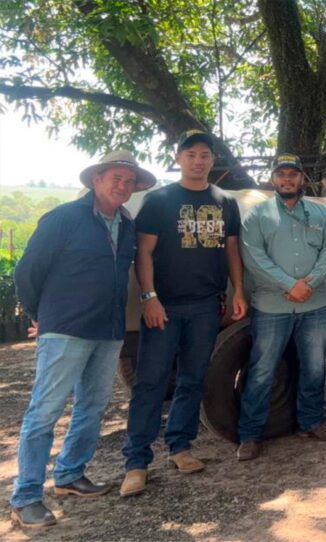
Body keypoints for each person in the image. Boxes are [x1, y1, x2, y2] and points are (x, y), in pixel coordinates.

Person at [11, 151, 154, 527]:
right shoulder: (64, 218)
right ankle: (25, 495)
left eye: (129, 181)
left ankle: (70, 474)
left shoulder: (126, 223)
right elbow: (28, 272)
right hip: (66, 329)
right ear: (95, 180)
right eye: (115, 178)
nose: (122, 186)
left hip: (108, 331)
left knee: (92, 406)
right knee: (45, 411)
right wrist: (40, 315)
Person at [121, 130, 247, 497]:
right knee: (150, 382)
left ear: (212, 160)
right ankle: (137, 462)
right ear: (178, 158)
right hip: (165, 305)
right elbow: (142, 253)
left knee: (193, 379)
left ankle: (180, 446)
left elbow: (232, 251)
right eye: (190, 153)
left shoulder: (225, 201)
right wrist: (149, 297)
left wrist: (238, 289)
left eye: (205, 154)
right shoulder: (159, 200)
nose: (198, 160)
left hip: (206, 305)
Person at [235, 154, 326, 461]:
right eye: (281, 175)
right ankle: (250, 434)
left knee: (314, 367)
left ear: (301, 178)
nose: (287, 180)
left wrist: (309, 282)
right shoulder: (258, 216)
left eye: (293, 174)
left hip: (314, 303)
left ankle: (310, 422)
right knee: (262, 370)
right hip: (272, 306)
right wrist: (289, 284)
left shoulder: (320, 214)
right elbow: (253, 257)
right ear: (274, 179)